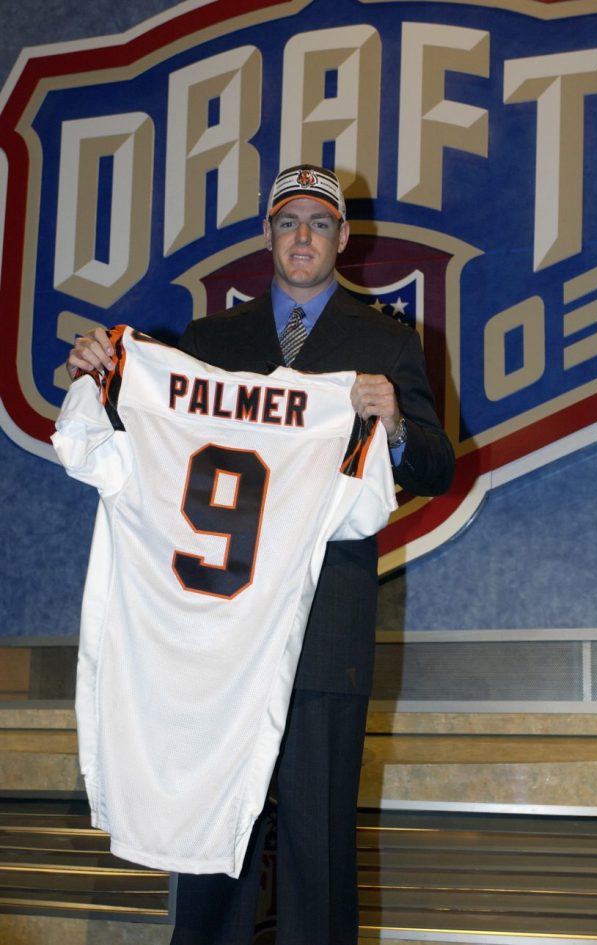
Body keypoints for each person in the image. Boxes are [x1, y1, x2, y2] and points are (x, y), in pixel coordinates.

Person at [68, 164, 455, 945]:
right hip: (216, 640)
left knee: (318, 847)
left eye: (319, 222)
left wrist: (400, 425)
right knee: (215, 848)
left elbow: (437, 467)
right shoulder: (210, 342)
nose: (303, 236)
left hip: (326, 632)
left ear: (343, 238)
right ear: (268, 235)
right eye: (287, 222)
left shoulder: (386, 340)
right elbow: (147, 432)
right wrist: (99, 376)